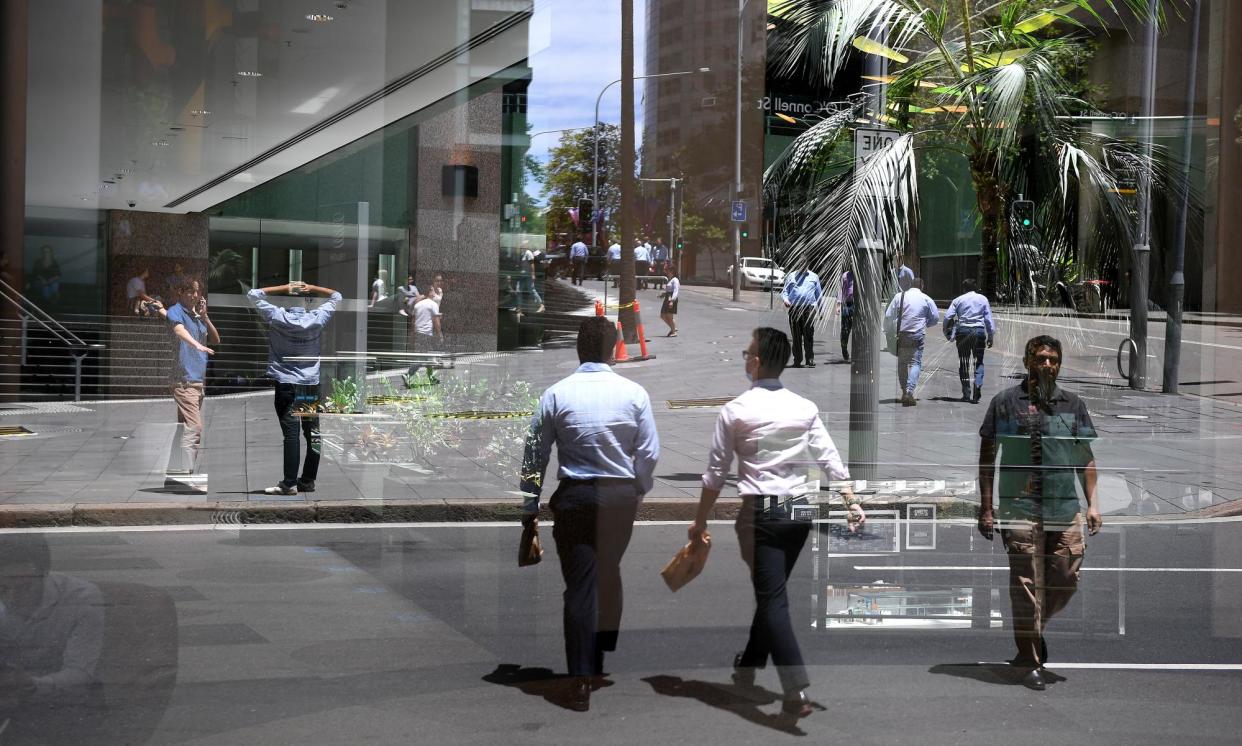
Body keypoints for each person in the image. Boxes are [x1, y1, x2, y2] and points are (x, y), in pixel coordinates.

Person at [689, 327, 865, 722]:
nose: (745, 358)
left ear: (758, 361)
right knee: (773, 591)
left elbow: (715, 475)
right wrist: (850, 501)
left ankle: (794, 687)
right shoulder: (803, 407)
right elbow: (828, 457)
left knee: (772, 598)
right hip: (799, 511)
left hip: (762, 514)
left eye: (747, 352)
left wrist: (699, 521)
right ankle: (750, 662)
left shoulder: (736, 410)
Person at [519, 317, 660, 712]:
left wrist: (530, 501)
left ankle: (579, 678)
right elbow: (648, 451)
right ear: (614, 348)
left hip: (576, 496)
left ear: (579, 350)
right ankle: (602, 649)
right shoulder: (634, 393)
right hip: (619, 497)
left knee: (580, 585)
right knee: (609, 568)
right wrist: (639, 487)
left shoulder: (557, 394)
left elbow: (535, 452)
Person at [978, 335, 1100, 691]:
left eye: (1053, 359)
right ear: (1027, 361)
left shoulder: (1073, 404)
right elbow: (988, 459)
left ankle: (1032, 631)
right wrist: (987, 508)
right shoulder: (1004, 403)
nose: (1047, 364)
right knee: (1027, 585)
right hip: (1019, 509)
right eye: (1041, 358)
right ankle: (1030, 658)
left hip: (1065, 508)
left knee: (1065, 577)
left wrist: (1093, 504)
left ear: (1060, 364)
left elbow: (1086, 457)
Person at [0, 534, 105, 742]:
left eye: (24, 587)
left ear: (44, 574)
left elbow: (80, 674)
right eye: (3, 588)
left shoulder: (81, 598)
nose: (12, 598)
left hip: (60, 701)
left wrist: (31, 684)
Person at [246, 281, 341, 496]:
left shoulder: (278, 316)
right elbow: (336, 295)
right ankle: (307, 480)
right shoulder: (317, 317)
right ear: (306, 304)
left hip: (286, 383)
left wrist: (283, 287)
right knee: (313, 432)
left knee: (291, 435)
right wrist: (312, 287)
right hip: (310, 384)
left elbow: (253, 294)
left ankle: (289, 483)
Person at [162, 278, 218, 475]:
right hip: (183, 381)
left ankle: (173, 468)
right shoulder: (175, 311)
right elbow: (178, 330)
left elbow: (216, 339)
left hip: (197, 382)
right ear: (180, 292)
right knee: (194, 427)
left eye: (197, 292)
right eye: (190, 291)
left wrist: (205, 318)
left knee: (184, 427)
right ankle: (185, 470)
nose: (194, 295)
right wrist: (197, 345)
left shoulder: (196, 317)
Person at [884, 276, 939, 406]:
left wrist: (888, 329)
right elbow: (935, 318)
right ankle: (909, 391)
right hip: (917, 335)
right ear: (922, 286)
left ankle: (904, 392)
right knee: (915, 363)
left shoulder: (900, 296)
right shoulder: (926, 298)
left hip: (902, 334)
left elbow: (888, 315)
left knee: (902, 363)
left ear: (910, 285)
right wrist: (926, 323)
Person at [944, 278, 996, 402]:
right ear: (976, 288)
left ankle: (966, 394)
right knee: (979, 362)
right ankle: (977, 385)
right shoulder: (983, 299)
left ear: (964, 289)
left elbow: (947, 317)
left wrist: (947, 333)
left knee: (964, 363)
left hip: (963, 332)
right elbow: (989, 320)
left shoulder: (958, 300)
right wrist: (990, 336)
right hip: (978, 332)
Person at [780, 266, 822, 368]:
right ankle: (797, 360)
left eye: (805, 265)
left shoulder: (814, 277)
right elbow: (784, 292)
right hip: (794, 308)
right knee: (796, 336)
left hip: (809, 309)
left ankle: (810, 359)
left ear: (808, 265)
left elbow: (819, 295)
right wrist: (785, 300)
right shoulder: (791, 276)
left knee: (809, 335)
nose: (803, 267)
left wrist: (821, 311)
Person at [407, 295, 443, 381]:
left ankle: (431, 378)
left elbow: (413, 322)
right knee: (422, 358)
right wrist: (440, 335)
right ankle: (408, 375)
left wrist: (412, 336)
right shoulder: (433, 304)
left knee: (428, 357)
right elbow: (436, 321)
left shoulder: (418, 305)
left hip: (418, 334)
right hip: (426, 334)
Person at [837, 268, 855, 362]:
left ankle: (857, 353)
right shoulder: (846, 275)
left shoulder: (863, 275)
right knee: (845, 329)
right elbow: (840, 290)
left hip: (858, 305)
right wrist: (838, 305)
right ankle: (844, 348)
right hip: (847, 304)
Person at [660, 266, 680, 337]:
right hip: (667, 298)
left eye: (668, 271)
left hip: (671, 298)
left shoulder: (675, 280)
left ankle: (674, 331)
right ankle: (673, 328)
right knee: (662, 315)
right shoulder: (670, 279)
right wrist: (663, 294)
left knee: (669, 316)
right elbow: (669, 290)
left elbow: (675, 291)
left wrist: (672, 301)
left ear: (672, 272)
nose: (667, 273)